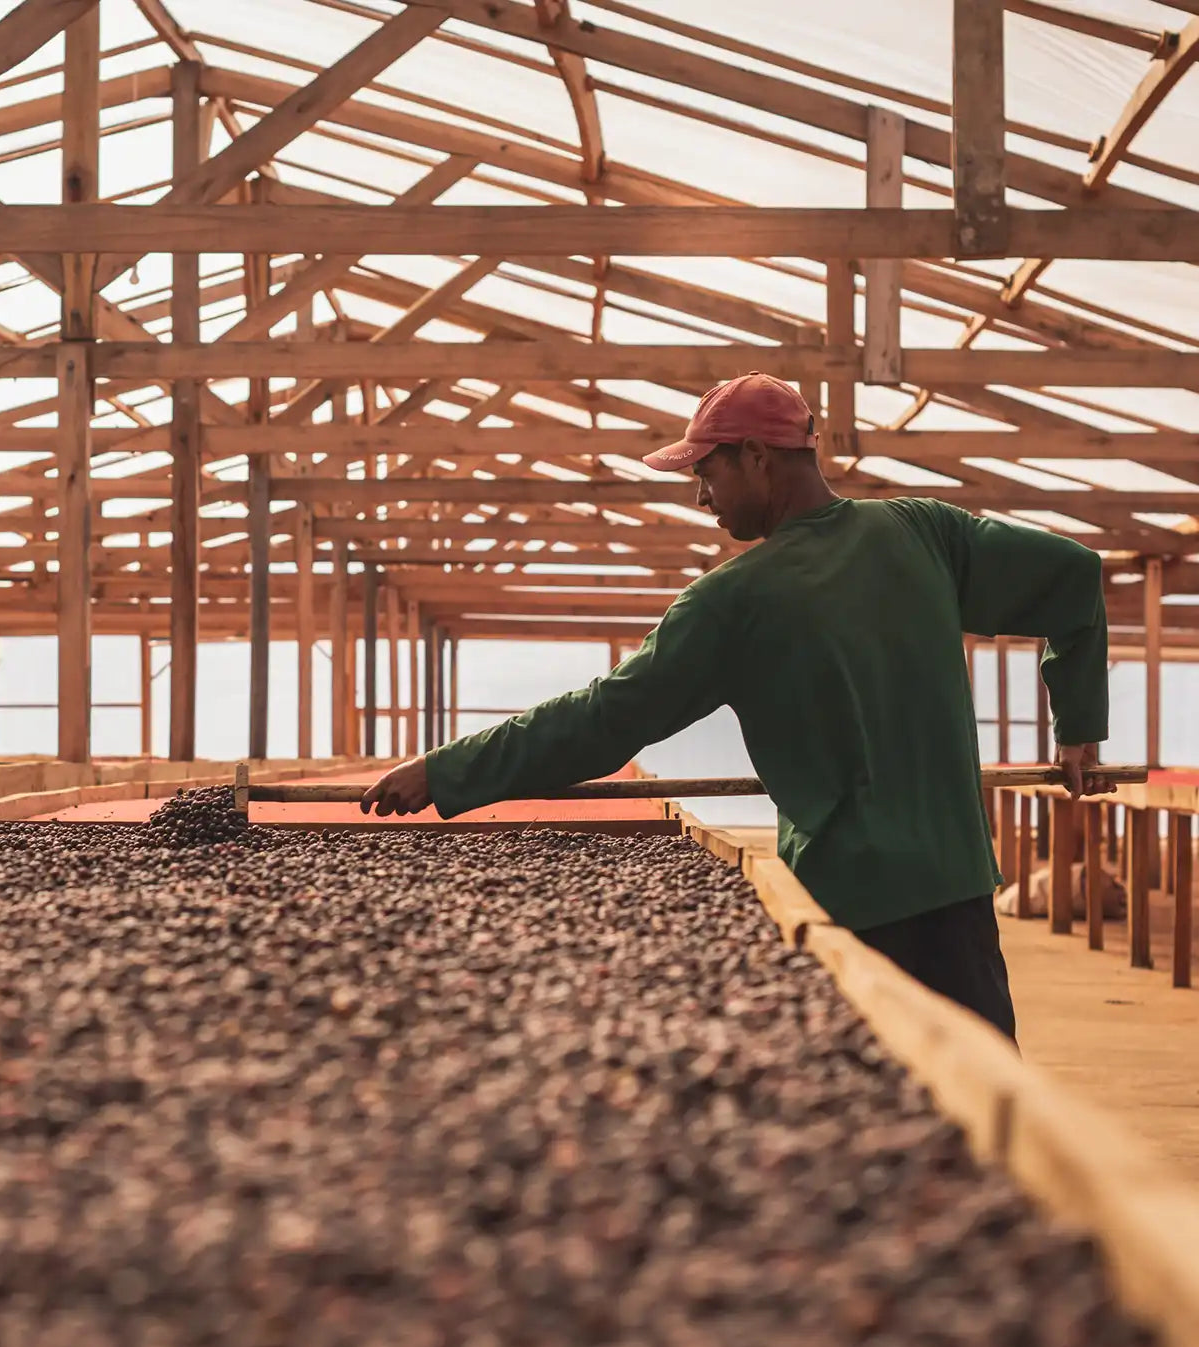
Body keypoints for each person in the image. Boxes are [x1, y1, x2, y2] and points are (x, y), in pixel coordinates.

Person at [360, 373, 1117, 1041]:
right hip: (957, 890)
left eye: (706, 472)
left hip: (849, 903)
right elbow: (1075, 579)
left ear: (757, 457)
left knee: (869, 1122)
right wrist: (1079, 728)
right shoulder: (924, 533)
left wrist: (447, 771)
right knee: (987, 1116)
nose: (699, 496)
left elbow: (602, 722)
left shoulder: (735, 601)